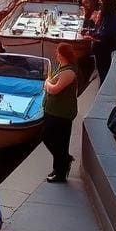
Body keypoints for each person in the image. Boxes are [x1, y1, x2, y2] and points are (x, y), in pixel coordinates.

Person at [42, 43, 78, 183]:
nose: (56, 55)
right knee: (49, 138)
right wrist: (48, 84)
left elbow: (54, 89)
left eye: (58, 53)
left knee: (59, 141)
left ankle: (61, 171)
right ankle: (60, 165)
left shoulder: (69, 72)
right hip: (52, 110)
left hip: (61, 113)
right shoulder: (60, 68)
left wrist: (46, 84)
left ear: (63, 55)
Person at [88, 0, 116, 84]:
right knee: (102, 68)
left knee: (104, 69)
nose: (99, 5)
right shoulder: (108, 15)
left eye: (100, 3)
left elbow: (106, 33)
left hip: (104, 47)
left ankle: (103, 85)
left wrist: (93, 37)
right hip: (103, 46)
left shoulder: (110, 17)